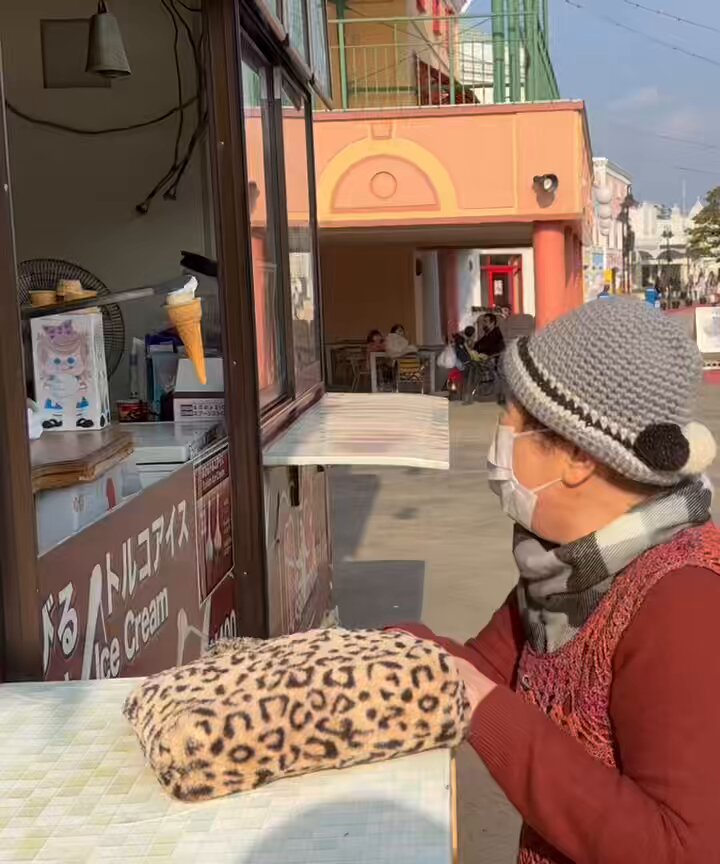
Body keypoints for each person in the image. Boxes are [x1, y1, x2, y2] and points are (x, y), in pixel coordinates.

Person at [394, 299, 720, 863]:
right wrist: (374, 654)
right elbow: (479, 667)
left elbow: (682, 848)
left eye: (513, 419)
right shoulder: (564, 570)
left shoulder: (682, 600)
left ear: (575, 455)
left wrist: (485, 708)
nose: (499, 435)